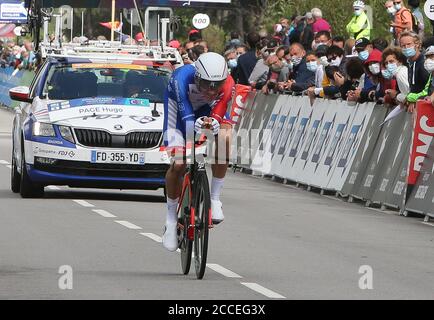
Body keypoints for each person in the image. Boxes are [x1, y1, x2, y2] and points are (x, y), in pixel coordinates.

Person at [162, 53, 235, 252]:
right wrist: (191, 135)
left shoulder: (228, 83)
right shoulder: (180, 78)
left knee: (225, 138)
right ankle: (170, 220)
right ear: (197, 77)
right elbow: (186, 118)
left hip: (208, 110)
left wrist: (213, 124)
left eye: (216, 84)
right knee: (179, 163)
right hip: (179, 111)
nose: (211, 90)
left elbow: (219, 110)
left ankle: (215, 198)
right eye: (206, 84)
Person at [399, 31, 430, 112]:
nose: (406, 48)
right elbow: (414, 87)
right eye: (403, 46)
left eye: (409, 44)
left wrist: (413, 99)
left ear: (417, 44)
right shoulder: (409, 62)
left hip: (426, 107)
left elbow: (429, 88)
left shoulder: (424, 63)